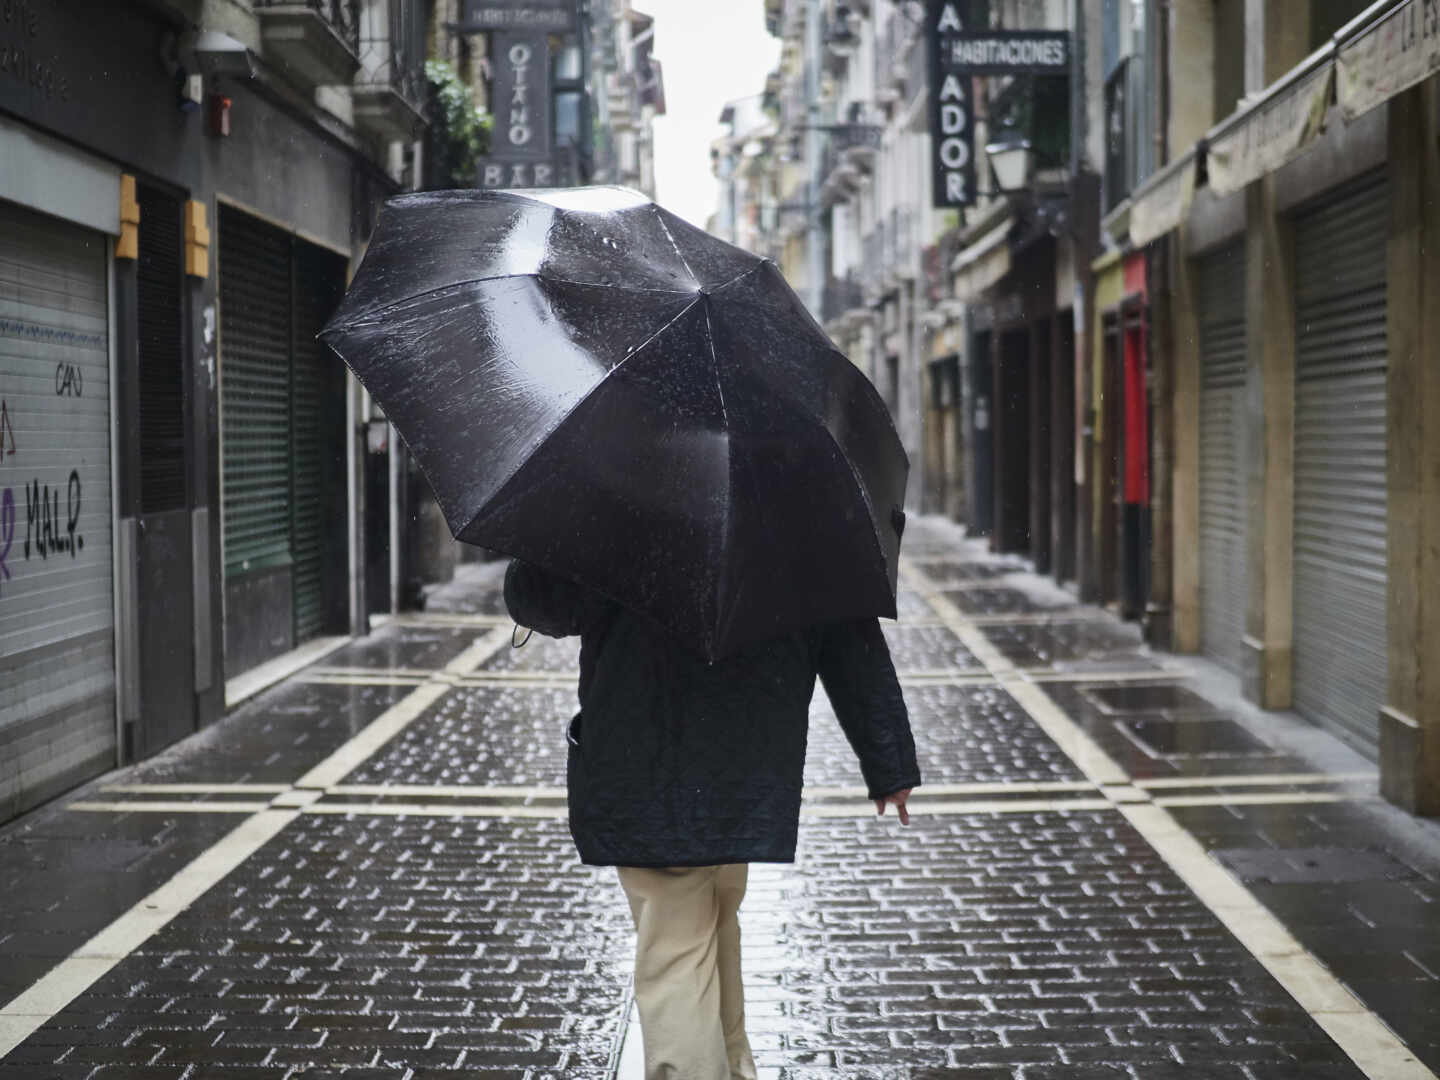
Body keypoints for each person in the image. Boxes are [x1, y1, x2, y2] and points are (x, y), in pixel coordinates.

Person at [504, 559, 920, 1080]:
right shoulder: (789, 503)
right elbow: (845, 628)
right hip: (742, 763)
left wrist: (529, 563)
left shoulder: (619, 501)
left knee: (677, 951)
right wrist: (890, 761)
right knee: (713, 927)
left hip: (645, 760)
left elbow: (551, 603)